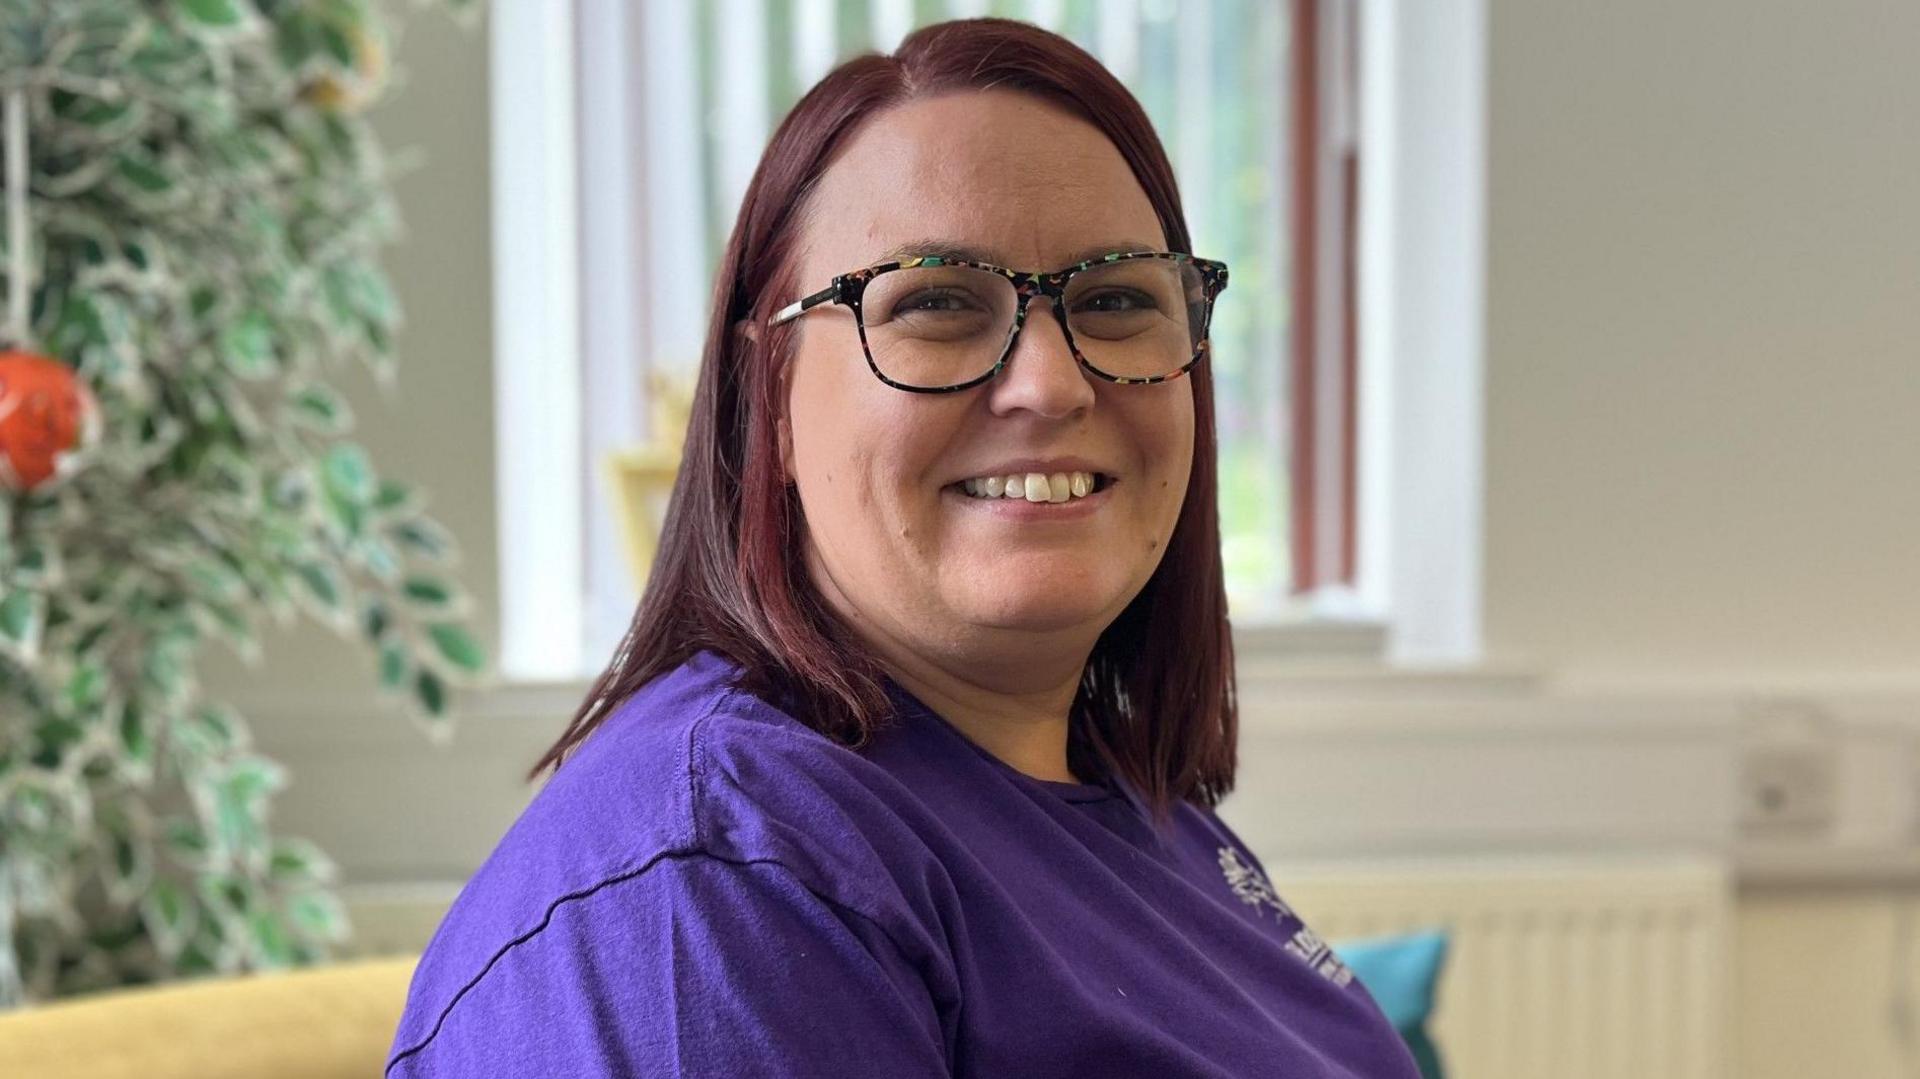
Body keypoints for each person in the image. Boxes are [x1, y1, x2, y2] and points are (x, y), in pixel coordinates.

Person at [387, 17, 1420, 1079]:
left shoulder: (1132, 807)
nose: (1053, 383)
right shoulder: (721, 884)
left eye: (1115, 297)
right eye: (935, 301)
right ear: (768, 400)